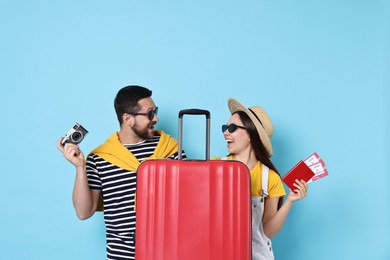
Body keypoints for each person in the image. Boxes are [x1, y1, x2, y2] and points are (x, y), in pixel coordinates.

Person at [57, 85, 185, 260]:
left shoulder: (171, 150)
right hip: (121, 256)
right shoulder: (100, 158)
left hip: (169, 253)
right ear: (128, 119)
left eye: (155, 111)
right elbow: (84, 212)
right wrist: (80, 167)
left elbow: (188, 203)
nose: (156, 118)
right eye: (150, 113)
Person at [219, 98, 308, 260]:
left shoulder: (270, 178)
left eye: (232, 128)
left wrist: (289, 201)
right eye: (225, 127)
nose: (226, 132)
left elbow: (266, 232)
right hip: (220, 252)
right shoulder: (216, 168)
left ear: (251, 134)